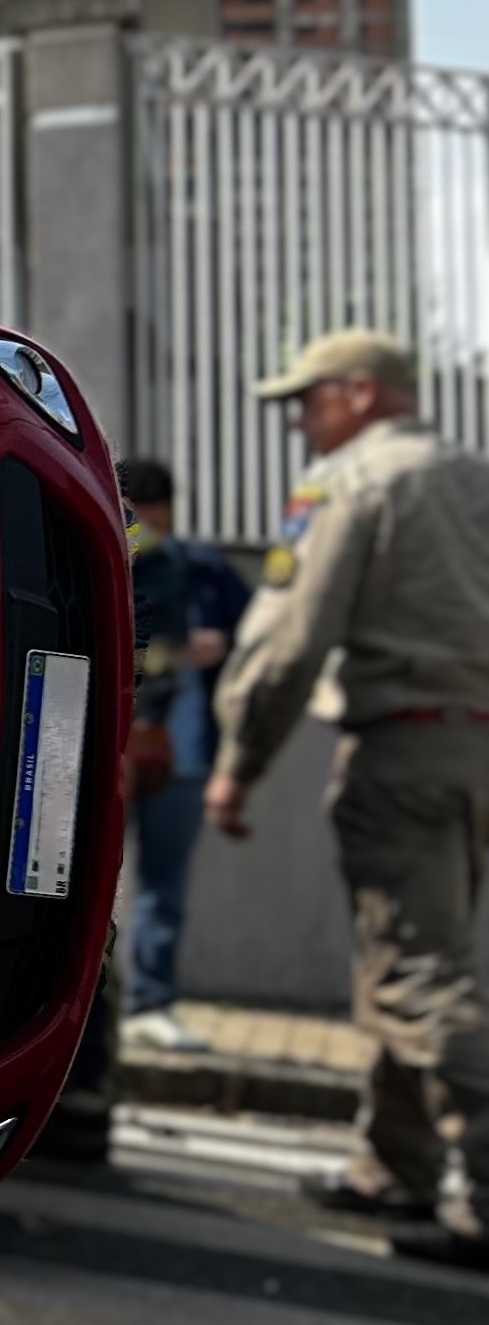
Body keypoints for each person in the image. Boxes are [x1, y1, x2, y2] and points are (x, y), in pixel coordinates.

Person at [206, 329, 489, 1272]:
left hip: (402, 745)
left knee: (415, 973)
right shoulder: (469, 475)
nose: (298, 420)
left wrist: (240, 759)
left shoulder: (352, 483)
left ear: (362, 392)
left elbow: (291, 641)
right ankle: (392, 1165)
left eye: (310, 398)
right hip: (474, 744)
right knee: (410, 950)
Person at [118, 456, 252, 1054]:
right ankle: (97, 1007)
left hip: (184, 750)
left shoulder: (195, 568)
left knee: (161, 887)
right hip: (118, 749)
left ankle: (147, 1002)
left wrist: (219, 647)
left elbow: (257, 637)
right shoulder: (124, 555)